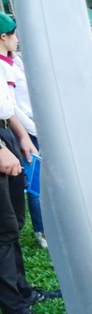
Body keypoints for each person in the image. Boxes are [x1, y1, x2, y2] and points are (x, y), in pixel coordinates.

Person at [0, 14, 64, 314]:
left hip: (7, 134)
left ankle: (22, 292)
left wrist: (20, 135)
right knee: (1, 233)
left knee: (12, 227)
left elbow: (5, 106)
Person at [2, 30, 44, 248]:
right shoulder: (3, 66)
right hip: (23, 132)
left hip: (28, 130)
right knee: (35, 181)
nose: (18, 39)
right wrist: (30, 132)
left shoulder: (14, 62)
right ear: (3, 37)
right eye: (14, 34)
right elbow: (11, 108)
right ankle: (42, 231)